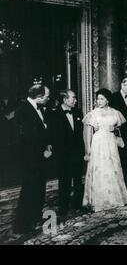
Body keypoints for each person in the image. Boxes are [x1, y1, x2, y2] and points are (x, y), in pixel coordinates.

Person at [13, 84, 52, 234]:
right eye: (47, 96)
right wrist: (42, 152)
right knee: (29, 190)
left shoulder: (39, 108)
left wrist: (47, 145)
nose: (48, 99)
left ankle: (34, 218)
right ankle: (22, 225)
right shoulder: (23, 111)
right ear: (39, 96)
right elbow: (27, 139)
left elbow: (42, 131)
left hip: (39, 158)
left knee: (38, 188)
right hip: (30, 159)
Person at [82, 89, 127, 212]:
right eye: (98, 99)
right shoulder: (93, 113)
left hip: (111, 143)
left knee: (113, 168)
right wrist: (88, 150)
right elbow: (87, 134)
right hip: (98, 143)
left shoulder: (115, 113)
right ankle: (100, 201)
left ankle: (115, 199)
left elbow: (119, 129)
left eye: (102, 99)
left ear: (107, 100)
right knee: (101, 168)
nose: (99, 101)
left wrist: (114, 129)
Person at [51, 89, 85, 217]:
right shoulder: (53, 114)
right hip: (63, 155)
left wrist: (83, 151)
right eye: (73, 98)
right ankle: (63, 208)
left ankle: (78, 205)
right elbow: (54, 137)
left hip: (76, 153)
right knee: (64, 182)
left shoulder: (78, 111)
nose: (75, 100)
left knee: (77, 180)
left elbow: (80, 134)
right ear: (65, 100)